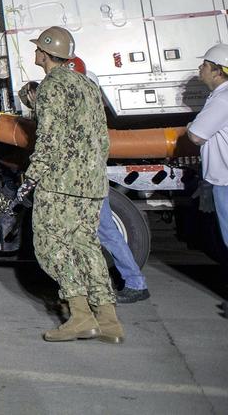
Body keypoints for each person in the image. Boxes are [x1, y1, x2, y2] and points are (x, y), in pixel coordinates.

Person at [21, 26, 122, 343]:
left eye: (38, 48)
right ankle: (108, 320)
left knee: (52, 246)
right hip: (92, 183)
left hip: (60, 184)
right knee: (87, 245)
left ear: (45, 54)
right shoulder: (88, 84)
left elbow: (48, 140)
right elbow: (101, 137)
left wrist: (31, 177)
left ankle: (80, 317)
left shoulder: (51, 87)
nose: (35, 52)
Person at [61, 57, 150, 303]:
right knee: (100, 232)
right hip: (89, 180)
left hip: (85, 182)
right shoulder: (92, 108)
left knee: (105, 232)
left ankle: (133, 283)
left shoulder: (81, 111)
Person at [187, 44, 228, 251]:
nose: (200, 68)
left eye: (205, 65)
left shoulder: (222, 99)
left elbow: (196, 136)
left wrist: (189, 127)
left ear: (217, 71)